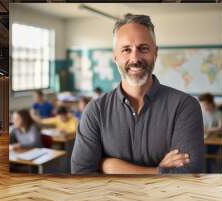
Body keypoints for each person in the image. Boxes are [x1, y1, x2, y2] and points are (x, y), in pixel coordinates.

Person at [71, 13, 204, 174]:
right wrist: (157, 171)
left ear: (155, 53)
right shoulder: (95, 111)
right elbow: (81, 173)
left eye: (143, 48)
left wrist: (109, 166)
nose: (135, 58)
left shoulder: (185, 106)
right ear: (115, 57)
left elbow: (188, 173)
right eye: (126, 50)